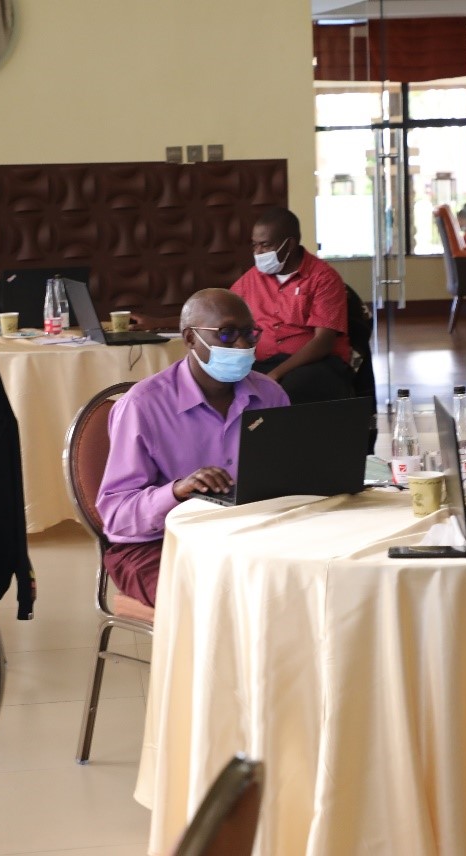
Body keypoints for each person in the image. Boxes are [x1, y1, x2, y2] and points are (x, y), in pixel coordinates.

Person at [96, 289, 288, 606]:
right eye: (226, 334)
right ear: (189, 338)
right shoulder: (142, 406)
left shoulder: (270, 394)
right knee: (212, 601)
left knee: (305, 586)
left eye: (249, 333)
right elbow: (116, 515)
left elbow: (288, 474)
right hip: (156, 544)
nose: (242, 346)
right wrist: (177, 491)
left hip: (248, 532)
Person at [230, 207, 353, 404]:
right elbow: (225, 313)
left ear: (290, 244)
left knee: (288, 392)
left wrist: (276, 374)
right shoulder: (251, 279)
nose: (257, 252)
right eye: (254, 245)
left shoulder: (323, 278)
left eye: (265, 245)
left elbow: (324, 342)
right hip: (262, 363)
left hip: (314, 364)